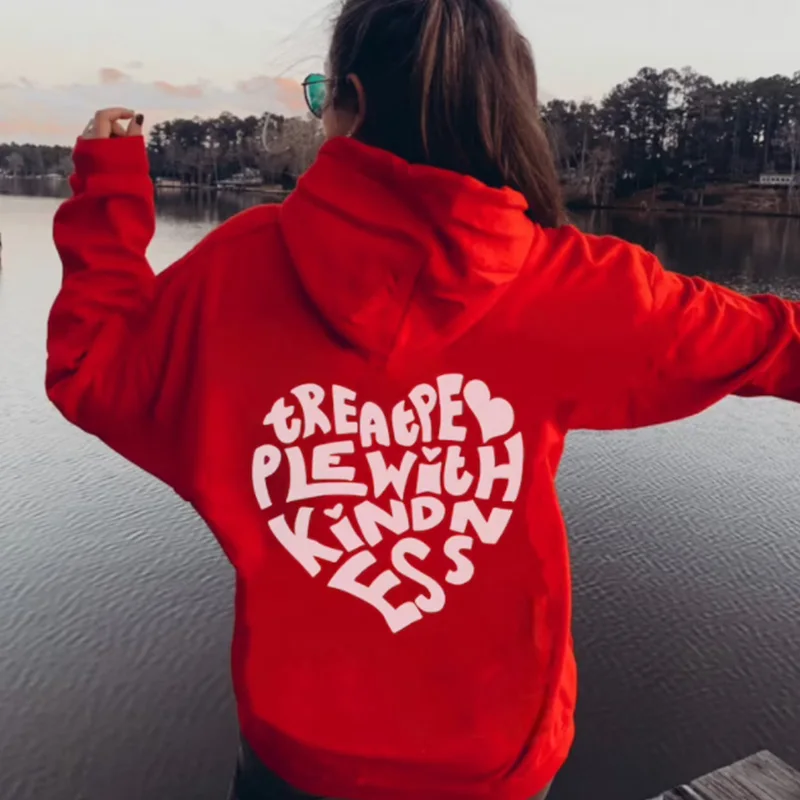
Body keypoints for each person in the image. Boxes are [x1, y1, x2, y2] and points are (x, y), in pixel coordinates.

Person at [45, 0, 800, 798]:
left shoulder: (234, 272)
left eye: (320, 95)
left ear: (354, 104)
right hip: (494, 760)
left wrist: (109, 188)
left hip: (300, 757)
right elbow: (775, 344)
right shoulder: (576, 287)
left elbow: (95, 368)